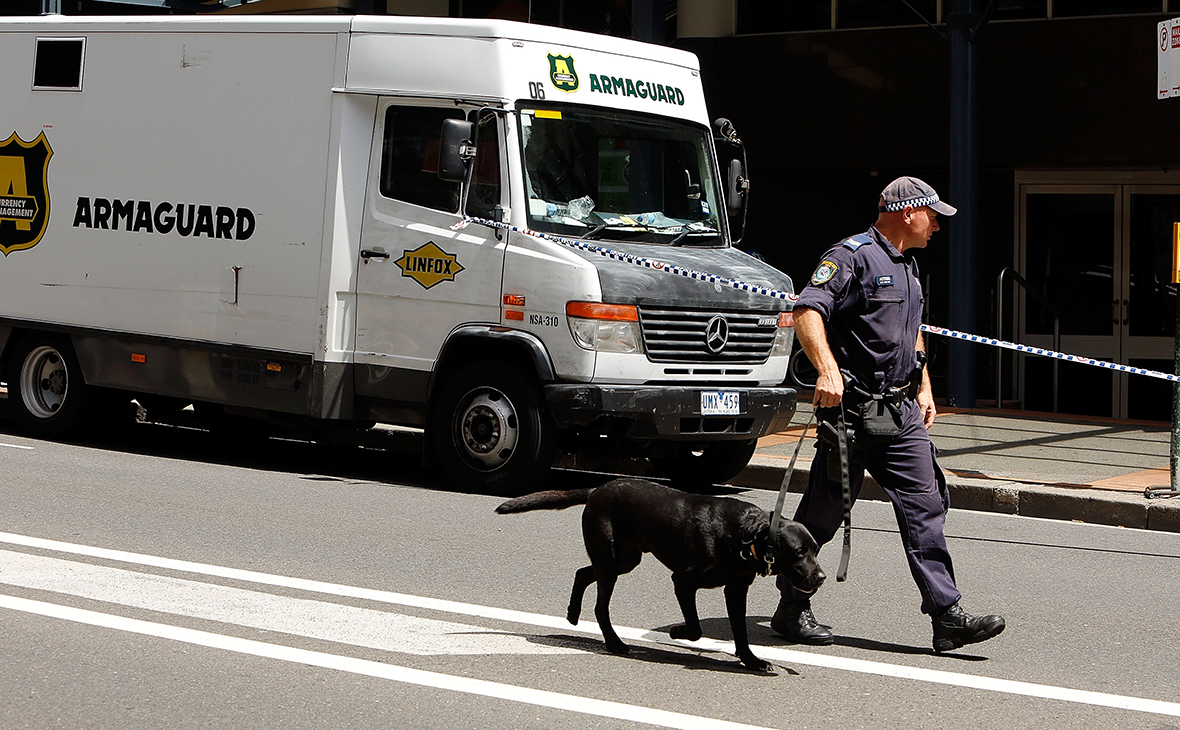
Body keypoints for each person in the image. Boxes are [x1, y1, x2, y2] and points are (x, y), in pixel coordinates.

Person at [771, 176, 1006, 653]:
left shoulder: (909, 265)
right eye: (933, 214)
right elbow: (807, 311)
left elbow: (912, 329)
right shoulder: (851, 256)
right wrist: (828, 372)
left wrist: (923, 386)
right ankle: (792, 607)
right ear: (907, 212)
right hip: (852, 414)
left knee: (926, 507)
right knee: (822, 515)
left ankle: (946, 616)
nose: (938, 223)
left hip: (900, 414)